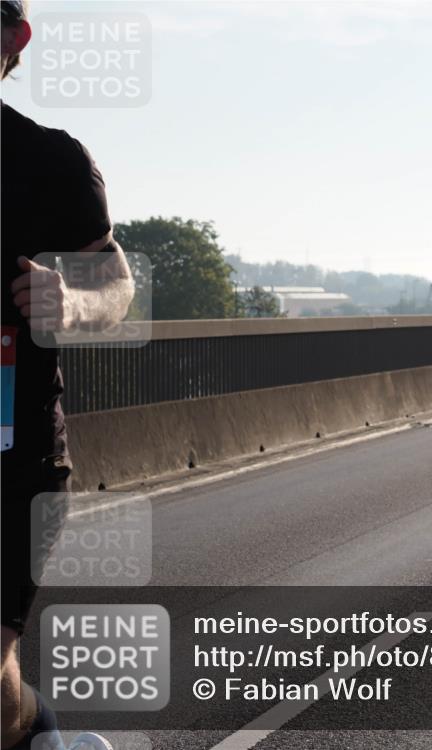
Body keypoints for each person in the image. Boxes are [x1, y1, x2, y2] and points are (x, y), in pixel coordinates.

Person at [2, 3, 134, 749]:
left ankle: (37, 730)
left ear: (14, 38)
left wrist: (72, 302)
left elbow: (117, 284)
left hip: (14, 462)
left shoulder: (50, 160)